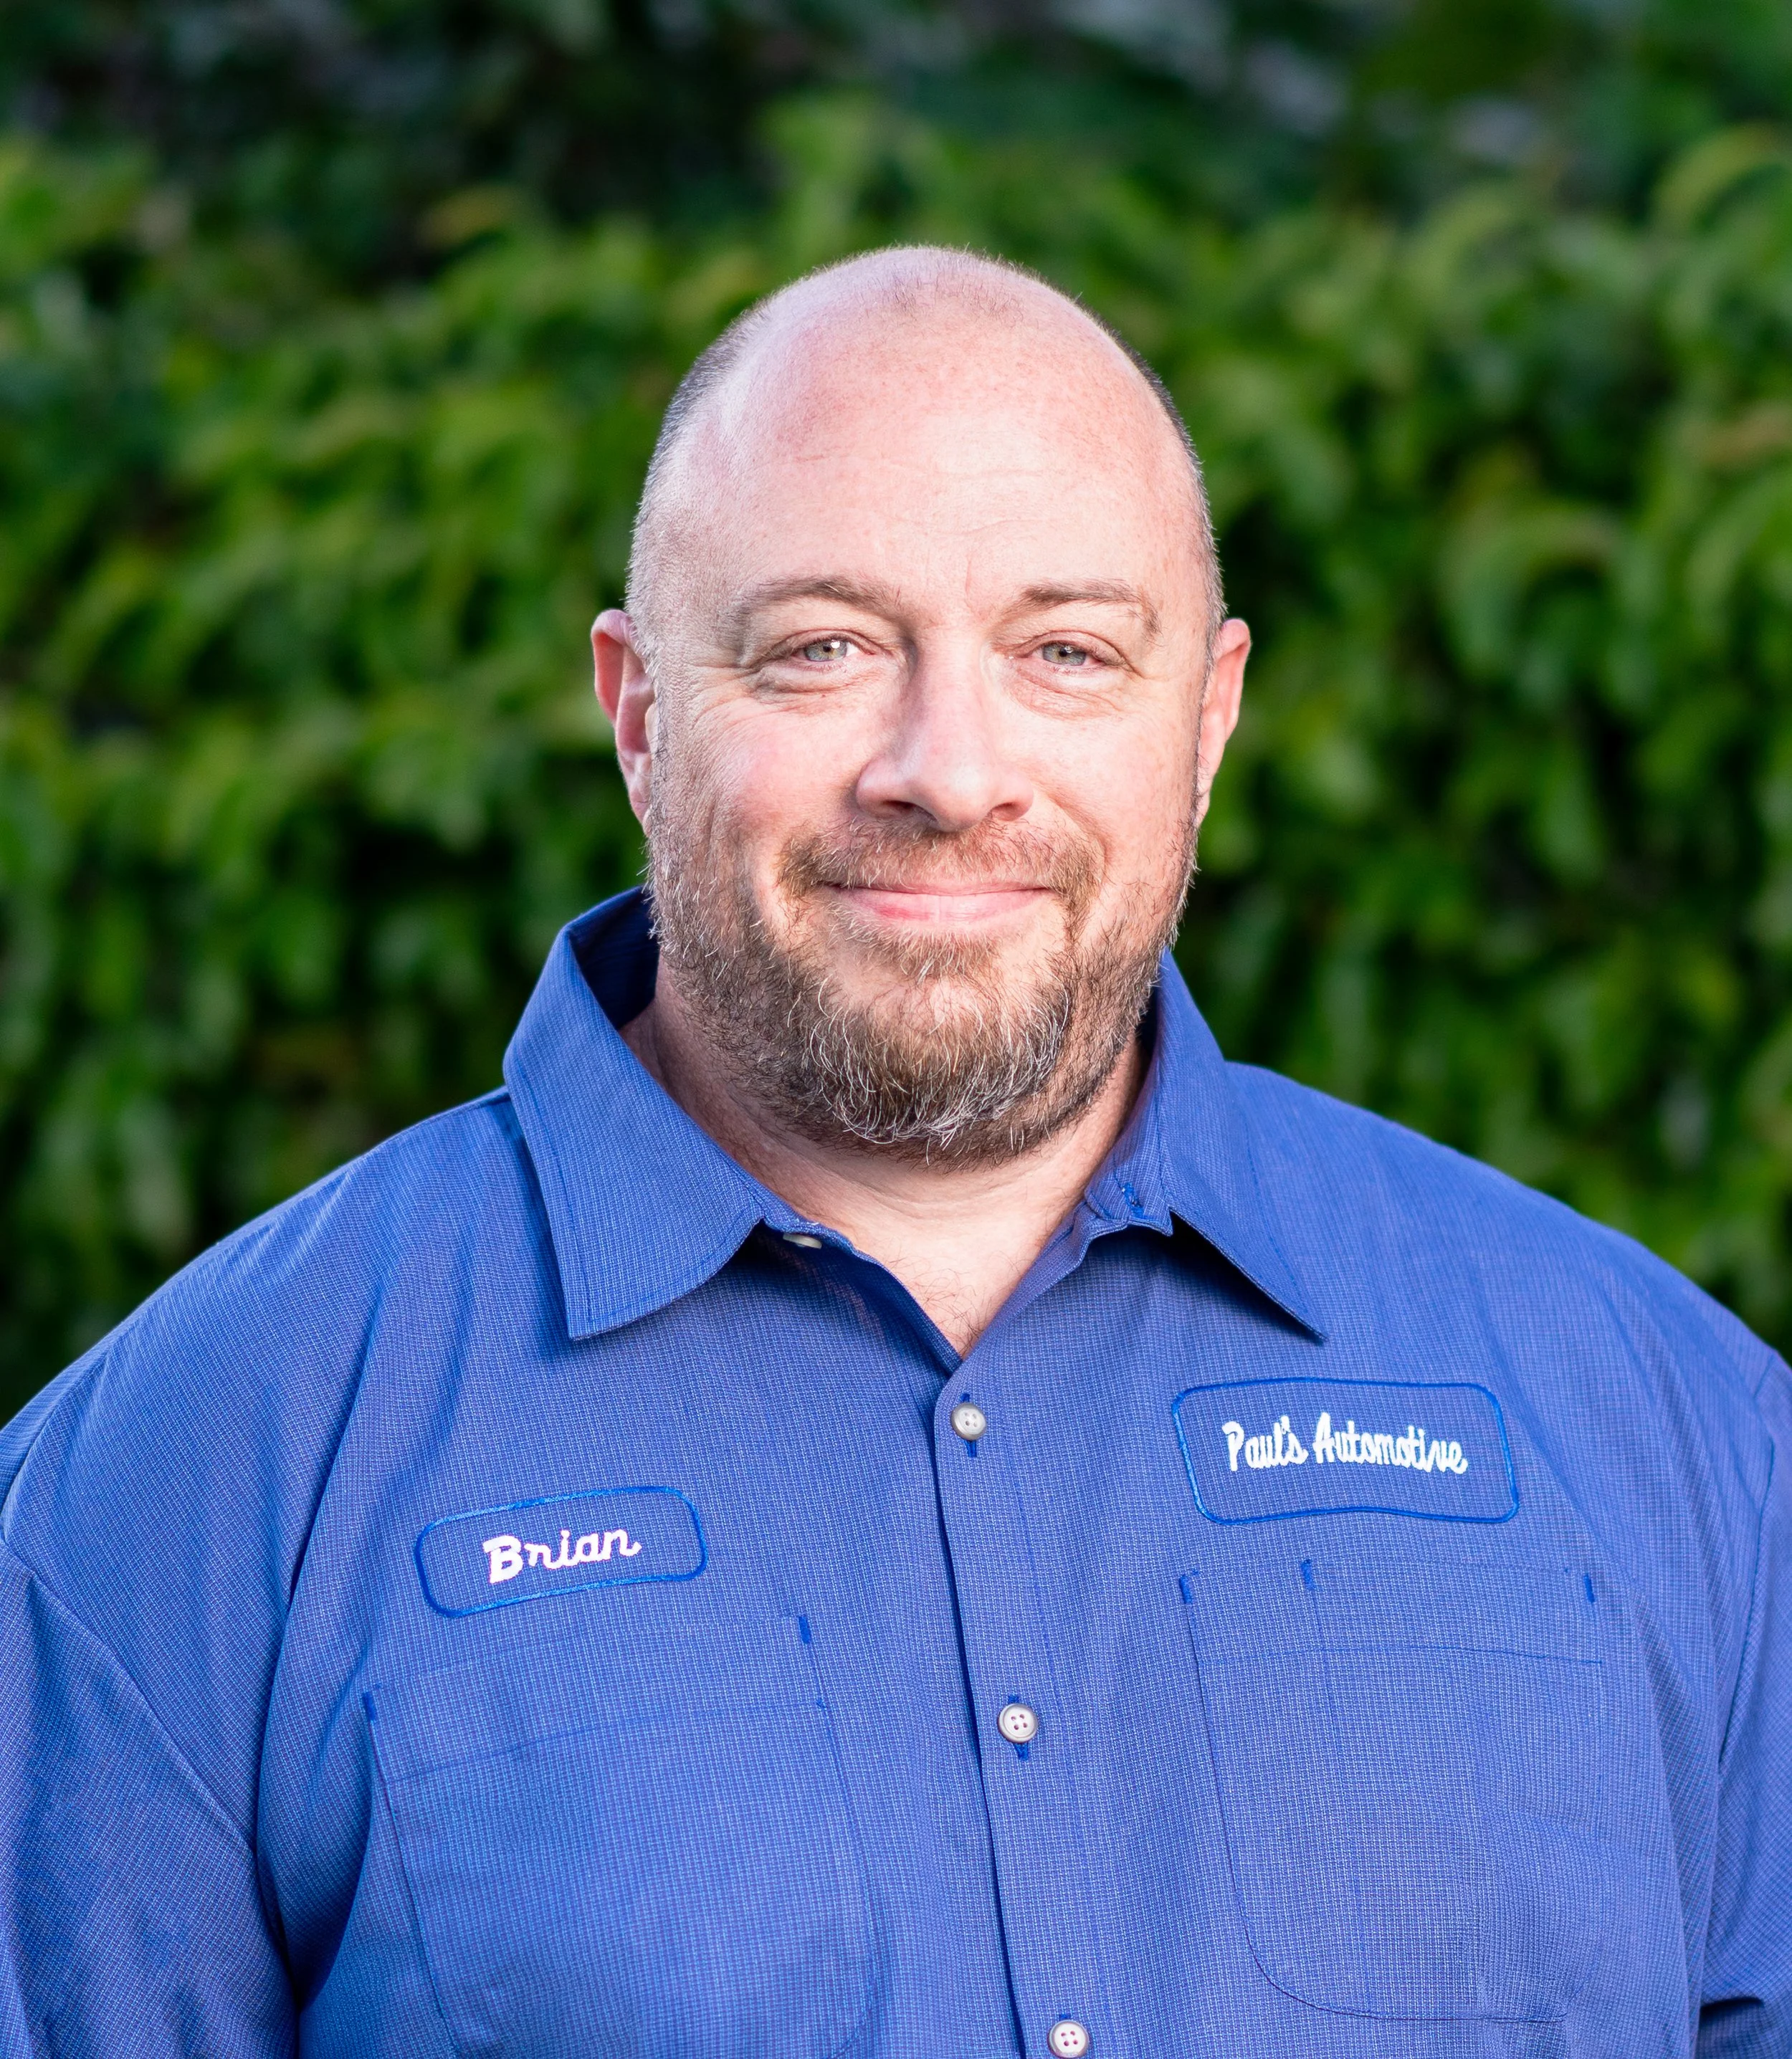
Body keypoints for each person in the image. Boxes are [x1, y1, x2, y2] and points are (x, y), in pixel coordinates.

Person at [0, 246, 1785, 2059]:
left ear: (1210, 718)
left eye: (1066, 651)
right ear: (636, 713)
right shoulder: (183, 1477)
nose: (948, 767)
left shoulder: (1671, 1424)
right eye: (824, 648)